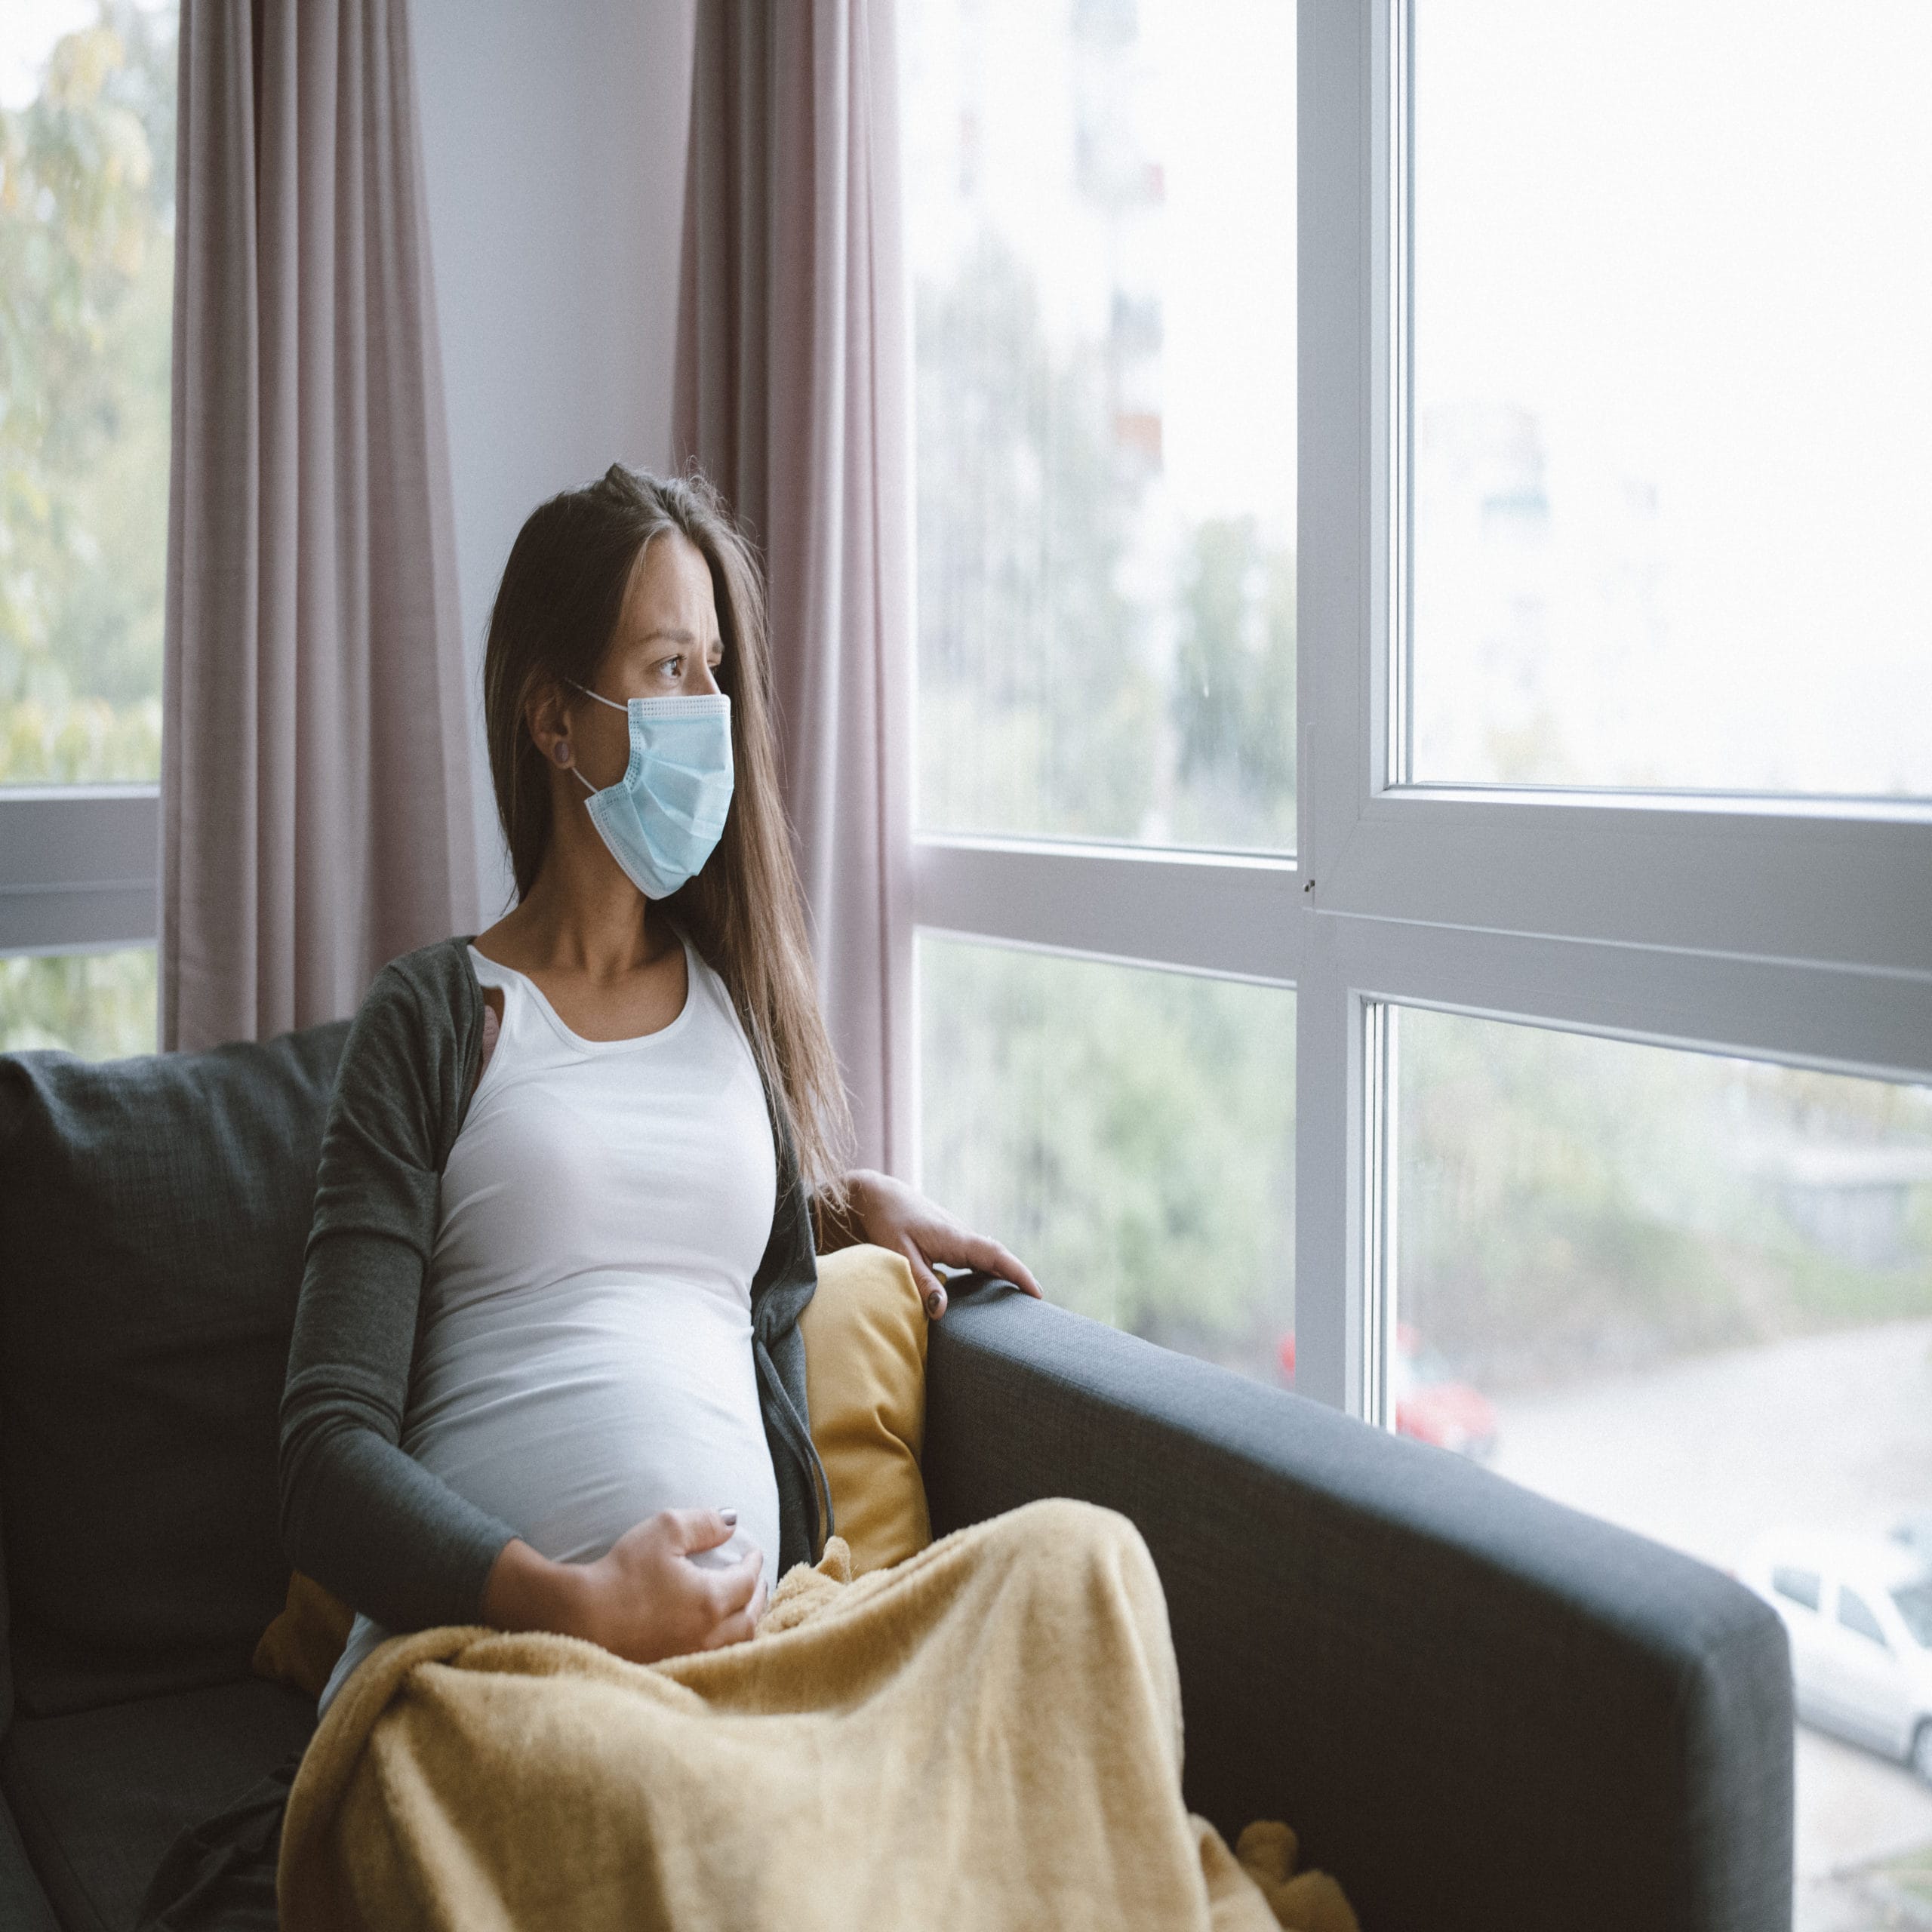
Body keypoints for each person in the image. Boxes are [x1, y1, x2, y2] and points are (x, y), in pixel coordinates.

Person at [134, 463, 1043, 1930]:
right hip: (502, 1669)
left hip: (744, 1648)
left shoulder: (737, 1021)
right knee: (695, 1825)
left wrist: (844, 1196)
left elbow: (675, 1228)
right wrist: (574, 1603)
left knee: (1079, 1572)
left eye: (715, 670)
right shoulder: (437, 1016)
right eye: (663, 666)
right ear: (555, 718)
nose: (707, 707)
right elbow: (320, 1452)